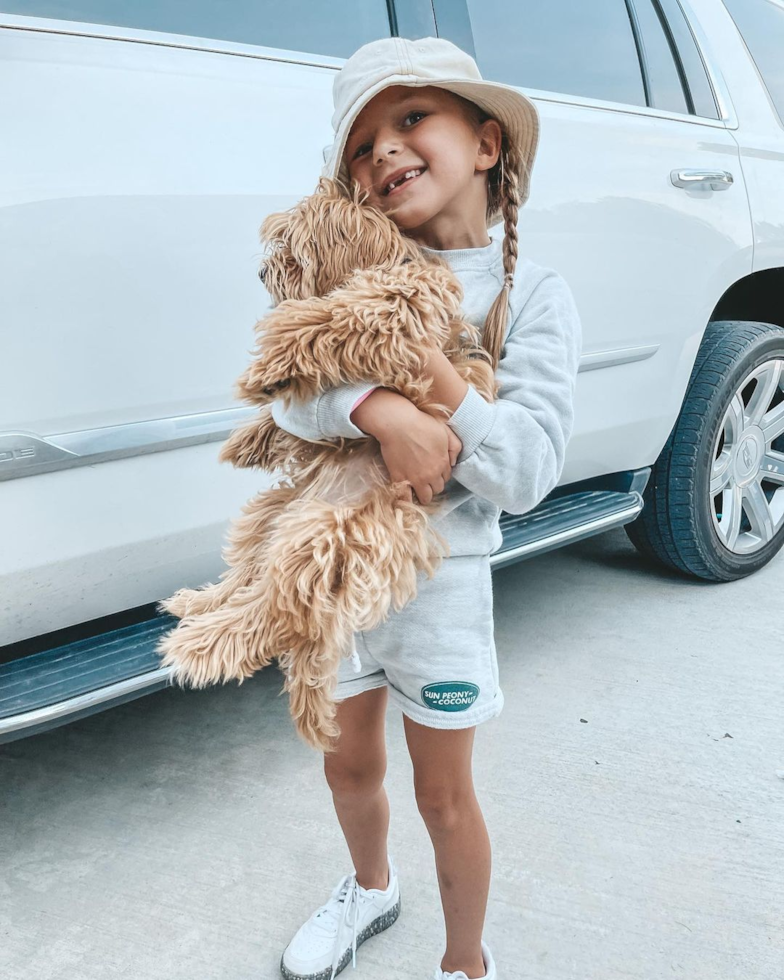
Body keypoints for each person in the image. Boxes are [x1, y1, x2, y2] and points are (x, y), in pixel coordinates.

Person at [275, 36, 583, 980]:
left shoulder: (533, 294)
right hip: (334, 566)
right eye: (363, 145)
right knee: (345, 763)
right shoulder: (353, 276)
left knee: (445, 798)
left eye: (412, 120)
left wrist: (436, 385)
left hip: (443, 581)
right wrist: (375, 410)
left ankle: (464, 962)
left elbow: (526, 470)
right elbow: (287, 385)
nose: (385, 153)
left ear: (487, 145)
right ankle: (370, 887)